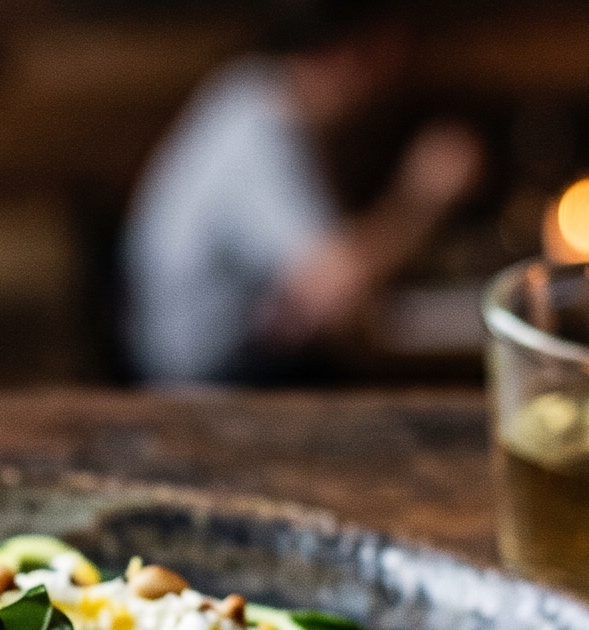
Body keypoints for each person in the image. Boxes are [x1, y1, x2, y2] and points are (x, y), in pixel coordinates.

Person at [123, 0, 482, 385]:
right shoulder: (255, 130)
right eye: (383, 56)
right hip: (201, 383)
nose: (391, 78)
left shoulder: (253, 89)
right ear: (341, 54)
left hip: (230, 353)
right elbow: (334, 291)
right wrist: (425, 197)